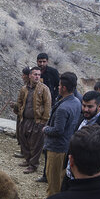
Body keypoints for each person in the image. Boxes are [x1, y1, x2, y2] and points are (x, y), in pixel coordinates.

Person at [43, 72, 81, 197]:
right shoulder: (76, 102)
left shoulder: (63, 108)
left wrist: (46, 129)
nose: (58, 87)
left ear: (63, 88)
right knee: (59, 177)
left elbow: (58, 130)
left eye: (59, 85)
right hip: (66, 146)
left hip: (56, 148)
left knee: (53, 180)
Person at [13, 66, 51, 174]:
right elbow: (20, 101)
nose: (37, 77)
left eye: (39, 75)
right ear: (30, 76)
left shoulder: (44, 89)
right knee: (24, 141)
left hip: (37, 121)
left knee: (36, 144)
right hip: (24, 119)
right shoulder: (24, 89)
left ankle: (33, 165)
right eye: (35, 74)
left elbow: (48, 105)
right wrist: (20, 112)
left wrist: (43, 120)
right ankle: (28, 160)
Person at [36, 53, 60, 183]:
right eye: (39, 61)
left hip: (51, 103)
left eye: (44, 61)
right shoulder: (37, 73)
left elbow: (57, 86)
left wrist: (54, 98)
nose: (41, 64)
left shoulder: (53, 72)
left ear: (47, 61)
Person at [12, 67, 31, 158]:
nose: (22, 77)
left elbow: (26, 102)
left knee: (24, 134)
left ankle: (25, 153)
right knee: (20, 133)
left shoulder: (30, 88)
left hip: (26, 114)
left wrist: (16, 105)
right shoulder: (25, 87)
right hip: (22, 113)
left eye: (24, 75)